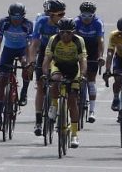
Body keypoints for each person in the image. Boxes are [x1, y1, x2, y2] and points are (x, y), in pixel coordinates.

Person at [43, 17, 87, 148]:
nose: (65, 35)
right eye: (62, 32)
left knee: (73, 100)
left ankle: (74, 134)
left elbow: (83, 61)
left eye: (68, 32)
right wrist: (45, 74)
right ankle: (54, 104)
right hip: (58, 66)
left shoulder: (79, 41)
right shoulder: (54, 39)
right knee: (55, 80)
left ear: (73, 32)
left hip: (73, 68)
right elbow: (47, 59)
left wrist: (82, 76)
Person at [0, 3, 34, 131]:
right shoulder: (4, 22)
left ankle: (24, 92)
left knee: (26, 66)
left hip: (22, 51)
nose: (16, 20)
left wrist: (28, 62)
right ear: (9, 15)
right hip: (7, 51)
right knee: (1, 82)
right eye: (13, 17)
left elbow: (29, 45)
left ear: (23, 16)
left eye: (19, 17)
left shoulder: (27, 24)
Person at [32, 0, 66, 136]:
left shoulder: (63, 25)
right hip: (43, 54)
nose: (63, 17)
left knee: (55, 83)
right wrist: (31, 61)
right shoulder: (41, 22)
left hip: (58, 55)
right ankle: (38, 121)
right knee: (40, 86)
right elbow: (34, 43)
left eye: (64, 14)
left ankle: (54, 105)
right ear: (51, 15)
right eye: (60, 14)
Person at [73, 2, 105, 121]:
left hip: (92, 49)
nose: (86, 19)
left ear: (93, 15)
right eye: (84, 16)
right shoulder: (76, 22)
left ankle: (92, 111)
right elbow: (72, 39)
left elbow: (100, 41)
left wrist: (100, 56)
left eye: (89, 16)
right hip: (79, 47)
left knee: (91, 80)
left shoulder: (97, 23)